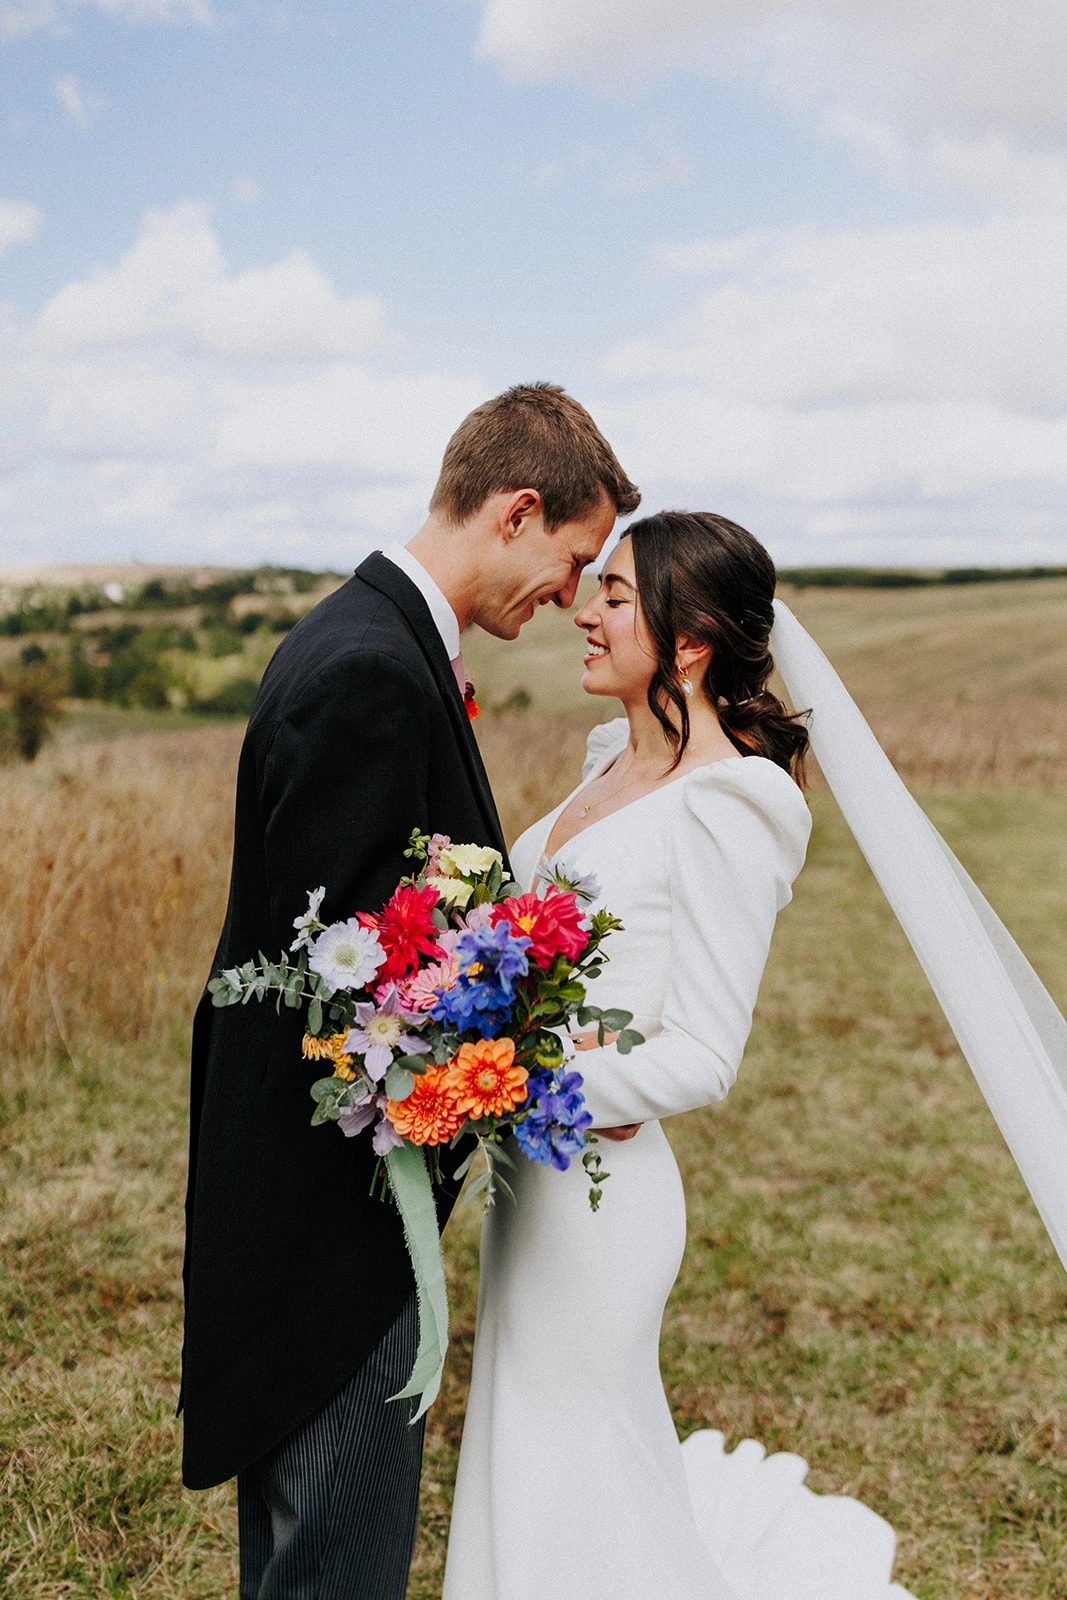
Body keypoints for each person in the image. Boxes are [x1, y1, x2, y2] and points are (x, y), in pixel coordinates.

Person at [180, 382, 639, 1599]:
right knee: (331, 1567)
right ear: (517, 509)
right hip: (327, 1236)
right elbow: (356, 1000)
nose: (571, 599)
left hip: (312, 1211)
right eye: (573, 559)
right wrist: (528, 1067)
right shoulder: (371, 671)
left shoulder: (363, 637)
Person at [442, 511, 921, 1598]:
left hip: (604, 1194)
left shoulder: (727, 802)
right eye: (591, 590)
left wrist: (519, 1082)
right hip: (533, 1184)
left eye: (614, 595)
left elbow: (705, 1054)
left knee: (573, 1442)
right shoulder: (607, 763)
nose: (584, 611)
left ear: (690, 637)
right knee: (524, 1436)